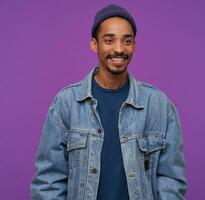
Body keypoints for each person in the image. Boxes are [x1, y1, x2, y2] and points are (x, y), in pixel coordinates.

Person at [31, 4, 186, 200]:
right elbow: (49, 182)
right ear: (94, 44)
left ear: (134, 45)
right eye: (109, 40)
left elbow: (171, 181)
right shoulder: (66, 103)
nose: (119, 49)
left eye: (126, 41)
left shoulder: (159, 106)